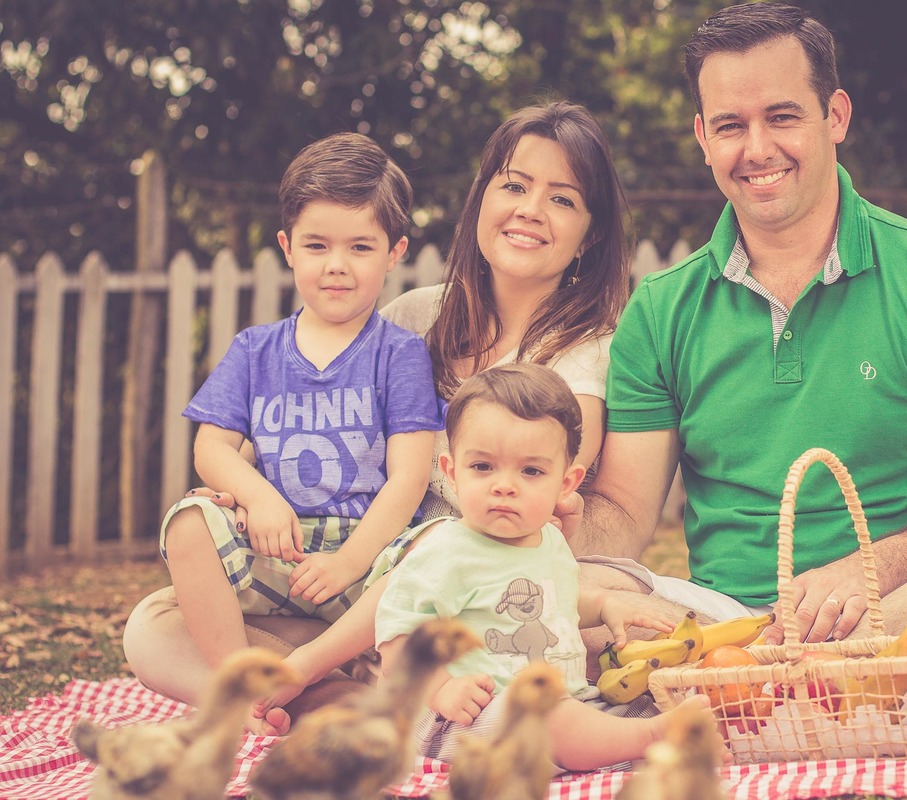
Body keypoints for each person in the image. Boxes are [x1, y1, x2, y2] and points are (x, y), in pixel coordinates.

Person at [568, 3, 907, 662]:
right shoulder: (662, 308)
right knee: (551, 590)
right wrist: (546, 520)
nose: (757, 150)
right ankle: (773, 672)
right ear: (703, 138)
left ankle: (780, 675)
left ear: (835, 115)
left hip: (901, 602)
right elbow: (624, 516)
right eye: (731, 126)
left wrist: (869, 571)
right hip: (723, 616)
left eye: (782, 117)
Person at [123, 101, 632, 728]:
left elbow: (535, 500)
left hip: (450, 584)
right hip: (326, 575)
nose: (529, 209)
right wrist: (240, 491)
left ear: (592, 231)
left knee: (429, 560)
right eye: (515, 185)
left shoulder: (585, 352)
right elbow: (262, 439)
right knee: (152, 626)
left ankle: (323, 682)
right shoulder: (413, 318)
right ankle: (320, 697)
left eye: (562, 199)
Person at [268, 363, 713, 771]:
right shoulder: (447, 549)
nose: (504, 486)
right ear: (452, 471)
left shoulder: (551, 542)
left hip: (565, 701)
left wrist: (603, 606)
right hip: (464, 715)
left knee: (646, 698)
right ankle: (648, 739)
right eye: (483, 466)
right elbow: (397, 632)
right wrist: (441, 689)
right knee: (547, 720)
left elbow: (550, 603)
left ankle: (642, 736)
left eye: (531, 472)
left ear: (567, 482)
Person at [145, 132, 441, 734]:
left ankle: (339, 671)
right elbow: (211, 448)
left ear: (394, 252)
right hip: (278, 553)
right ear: (287, 248)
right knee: (186, 526)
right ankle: (247, 694)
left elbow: (410, 477)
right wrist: (259, 497)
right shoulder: (255, 351)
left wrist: (352, 561)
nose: (337, 264)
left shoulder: (400, 354)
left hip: (369, 564)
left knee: (437, 544)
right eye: (317, 245)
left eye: (361, 246)